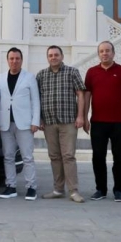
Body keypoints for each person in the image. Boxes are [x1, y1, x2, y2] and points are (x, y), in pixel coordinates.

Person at [83, 41, 121, 202]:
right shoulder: (92, 72)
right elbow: (87, 96)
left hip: (119, 123)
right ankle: (101, 189)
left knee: (119, 158)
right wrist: (84, 117)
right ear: (98, 54)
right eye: (101, 51)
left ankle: (118, 190)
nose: (104, 53)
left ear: (113, 53)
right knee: (98, 157)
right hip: (98, 122)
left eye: (107, 51)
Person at [36, 45, 87, 203]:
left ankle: (73, 191)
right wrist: (39, 118)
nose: (53, 57)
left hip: (68, 121)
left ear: (62, 56)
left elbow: (80, 94)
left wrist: (80, 116)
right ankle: (58, 189)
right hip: (49, 122)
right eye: (50, 55)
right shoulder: (41, 75)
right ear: (47, 58)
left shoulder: (72, 72)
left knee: (68, 156)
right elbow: (37, 98)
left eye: (56, 55)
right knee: (54, 156)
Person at [0, 47, 40, 201]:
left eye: (17, 58)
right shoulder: (1, 78)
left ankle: (31, 187)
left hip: (25, 124)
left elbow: (35, 100)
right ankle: (11, 186)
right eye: (11, 58)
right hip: (5, 123)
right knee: (8, 156)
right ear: (7, 60)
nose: (14, 61)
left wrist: (35, 121)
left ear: (21, 60)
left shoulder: (29, 77)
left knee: (27, 157)